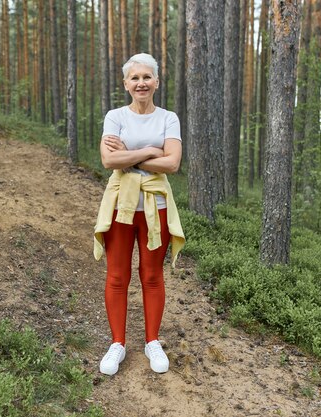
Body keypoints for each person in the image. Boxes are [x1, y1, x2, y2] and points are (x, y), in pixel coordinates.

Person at [93, 53, 185, 376]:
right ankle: (117, 343)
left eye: (147, 77)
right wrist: (150, 152)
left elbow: (172, 163)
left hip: (155, 205)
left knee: (151, 274)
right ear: (126, 84)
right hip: (121, 204)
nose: (141, 83)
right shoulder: (115, 116)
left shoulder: (168, 118)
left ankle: (152, 341)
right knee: (117, 275)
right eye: (135, 78)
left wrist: (128, 157)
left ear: (157, 82)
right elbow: (108, 161)